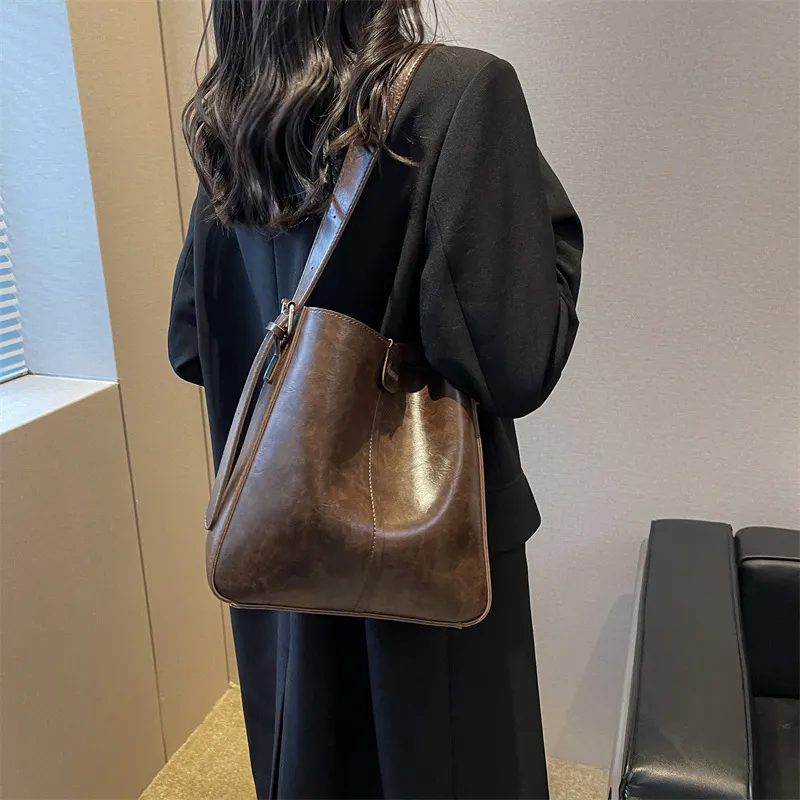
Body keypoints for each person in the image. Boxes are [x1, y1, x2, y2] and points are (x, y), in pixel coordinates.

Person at [168, 1, 582, 797]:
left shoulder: (230, 121)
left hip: (278, 544)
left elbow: (191, 345)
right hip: (425, 557)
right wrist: (552, 241)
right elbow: (517, 359)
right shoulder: (459, 93)